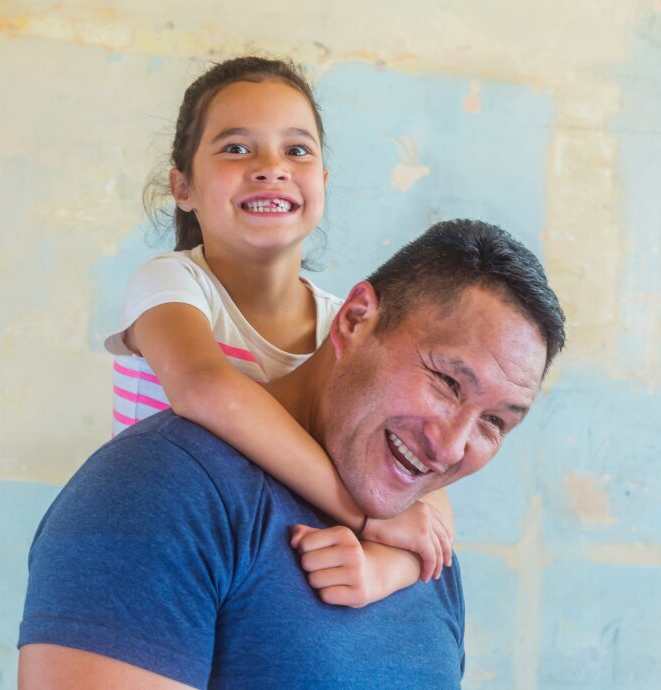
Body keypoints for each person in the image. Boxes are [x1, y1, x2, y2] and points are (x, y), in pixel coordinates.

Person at [18, 219, 567, 689]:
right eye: (447, 381)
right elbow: (203, 385)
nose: (449, 448)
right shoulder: (160, 490)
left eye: (494, 422)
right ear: (353, 319)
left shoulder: (422, 551)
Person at [104, 56, 455, 596]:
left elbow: (428, 499)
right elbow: (204, 389)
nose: (272, 167)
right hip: (159, 561)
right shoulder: (169, 285)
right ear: (183, 187)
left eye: (297, 150)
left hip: (274, 581)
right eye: (236, 148)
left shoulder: (349, 325)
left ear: (323, 181)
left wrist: (382, 570)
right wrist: (362, 519)